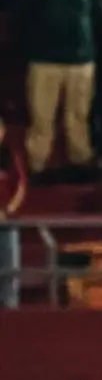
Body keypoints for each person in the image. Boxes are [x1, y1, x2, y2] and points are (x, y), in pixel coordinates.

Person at [21, 0, 102, 174]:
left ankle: (80, 162)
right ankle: (36, 165)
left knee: (78, 116)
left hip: (81, 60)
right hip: (44, 59)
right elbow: (23, 15)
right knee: (41, 117)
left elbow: (101, 14)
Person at [0, 116, 27, 309]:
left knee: (10, 268)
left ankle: (10, 305)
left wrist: (7, 211)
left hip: (6, 223)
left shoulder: (10, 156)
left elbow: (21, 186)